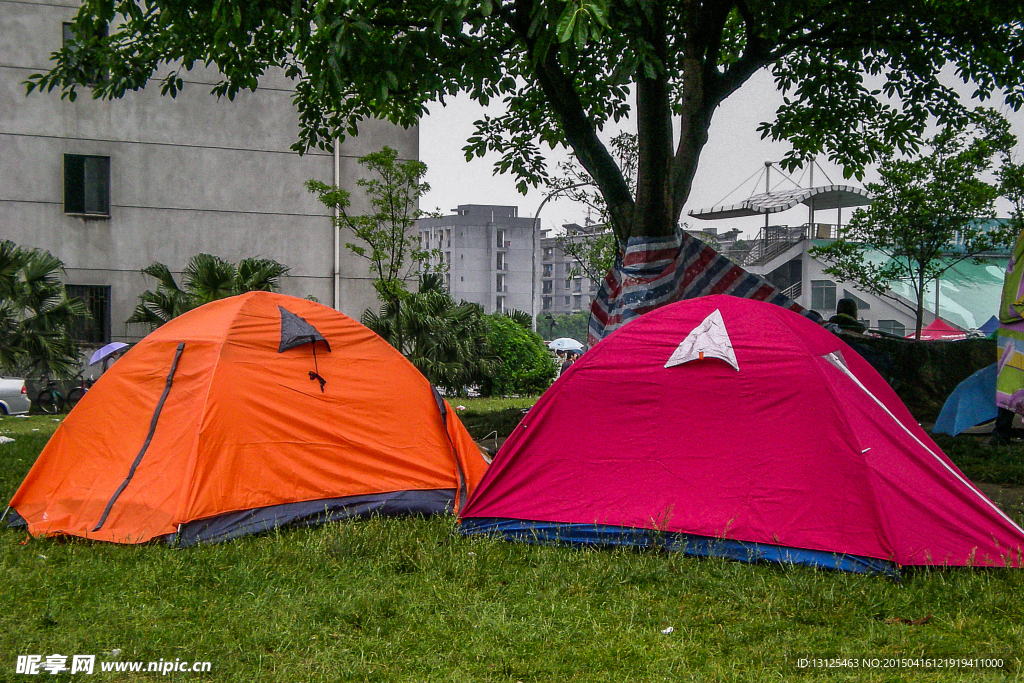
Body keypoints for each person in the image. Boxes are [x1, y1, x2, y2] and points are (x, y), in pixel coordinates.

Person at [991, 227, 1024, 443]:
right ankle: (1002, 432)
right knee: (1012, 379)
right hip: (1018, 321)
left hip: (1011, 321)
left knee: (1010, 379)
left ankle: (1001, 431)